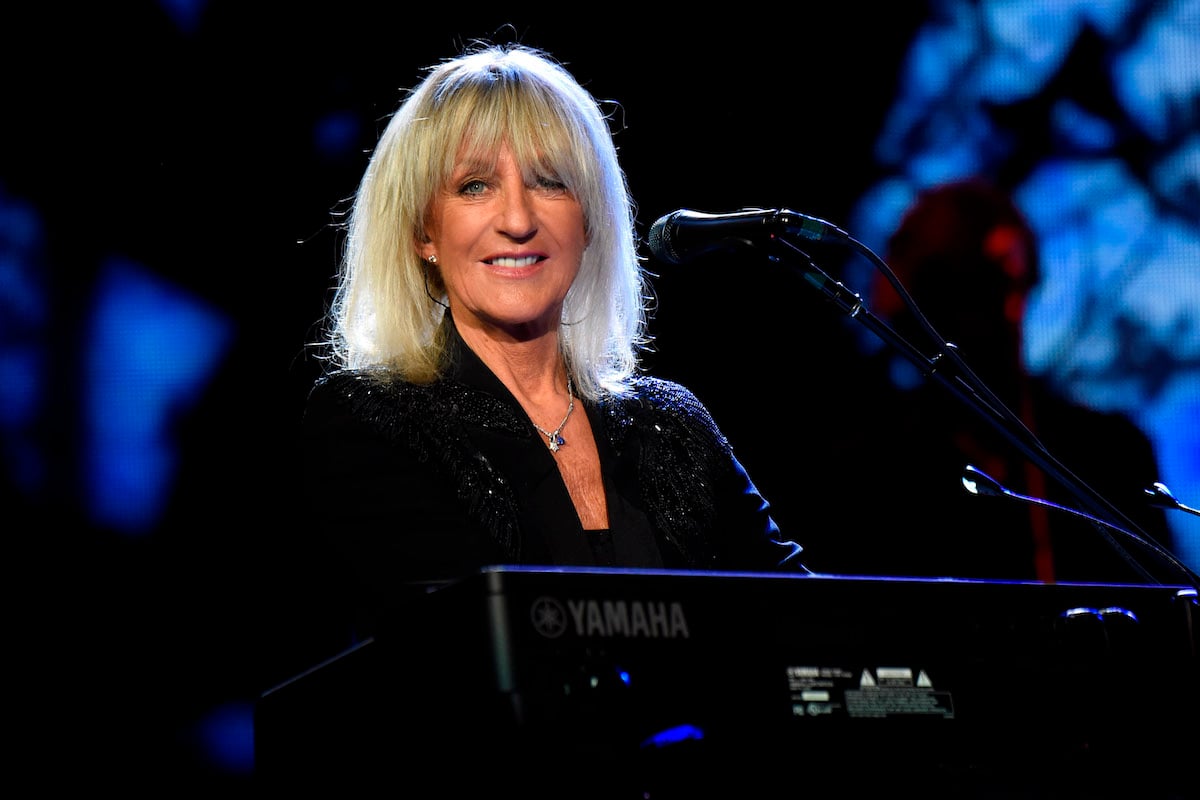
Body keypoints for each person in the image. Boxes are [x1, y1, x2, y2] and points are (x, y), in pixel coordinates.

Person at [266, 43, 811, 793]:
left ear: (589, 221)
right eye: (476, 186)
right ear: (424, 232)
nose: (517, 219)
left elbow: (810, 634)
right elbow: (471, 673)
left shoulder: (673, 423)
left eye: (551, 183)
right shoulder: (369, 420)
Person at [836, 177, 1173, 583]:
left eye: (1014, 289)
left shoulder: (1112, 452)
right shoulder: (872, 465)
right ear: (922, 303)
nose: (1008, 314)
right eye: (974, 292)